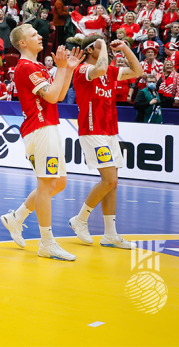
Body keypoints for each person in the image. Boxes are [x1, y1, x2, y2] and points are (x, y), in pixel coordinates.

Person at [0, 24, 84, 262]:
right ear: (23, 43)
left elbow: (57, 95)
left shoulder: (36, 66)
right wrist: (59, 69)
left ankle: (17, 217)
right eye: (34, 34)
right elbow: (50, 95)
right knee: (47, 184)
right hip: (39, 128)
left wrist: (67, 70)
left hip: (48, 125)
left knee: (59, 183)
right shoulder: (26, 67)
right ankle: (47, 243)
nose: (40, 36)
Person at [66, 36, 141, 250]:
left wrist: (126, 48)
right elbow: (98, 69)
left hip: (109, 131)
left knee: (113, 183)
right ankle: (79, 220)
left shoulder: (109, 71)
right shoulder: (82, 70)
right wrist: (101, 46)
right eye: (102, 44)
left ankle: (110, 234)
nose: (107, 47)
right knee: (109, 180)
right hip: (92, 130)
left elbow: (137, 71)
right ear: (91, 49)